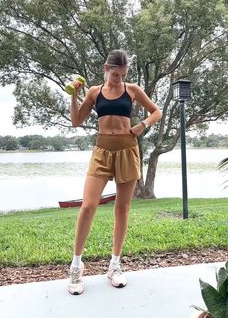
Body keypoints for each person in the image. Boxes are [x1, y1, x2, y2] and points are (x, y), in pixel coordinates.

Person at [68, 49, 162, 295]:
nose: (119, 79)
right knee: (88, 205)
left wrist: (142, 125)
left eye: (123, 75)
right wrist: (73, 96)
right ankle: (76, 266)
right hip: (102, 151)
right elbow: (76, 121)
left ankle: (115, 265)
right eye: (115, 74)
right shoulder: (94, 92)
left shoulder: (132, 90)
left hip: (127, 150)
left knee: (122, 209)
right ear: (106, 69)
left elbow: (157, 111)